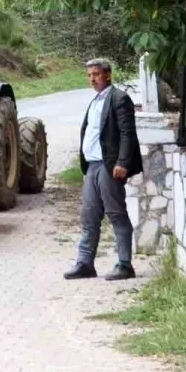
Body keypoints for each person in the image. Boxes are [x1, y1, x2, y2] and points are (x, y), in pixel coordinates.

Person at [64, 57, 143, 281]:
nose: (92, 79)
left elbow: (128, 134)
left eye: (96, 75)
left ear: (108, 75)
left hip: (110, 167)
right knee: (89, 217)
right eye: (89, 75)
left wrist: (122, 163)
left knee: (116, 214)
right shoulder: (95, 101)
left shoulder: (119, 98)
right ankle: (85, 263)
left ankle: (125, 264)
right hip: (92, 167)